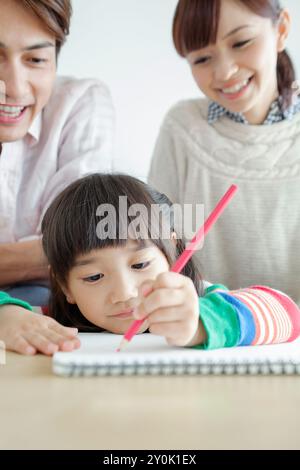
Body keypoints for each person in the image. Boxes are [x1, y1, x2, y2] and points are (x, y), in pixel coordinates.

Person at [2, 172, 297, 356]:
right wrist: (7, 316)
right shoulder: (53, 323)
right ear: (65, 285)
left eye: (140, 265)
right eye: (93, 276)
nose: (124, 293)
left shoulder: (202, 300)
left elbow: (288, 313)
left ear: (171, 255)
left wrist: (200, 324)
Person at [148, 0, 300, 305]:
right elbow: (154, 246)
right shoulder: (182, 127)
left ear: (281, 29)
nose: (225, 71)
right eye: (202, 58)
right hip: (206, 335)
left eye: (241, 43)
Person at [0, 0, 114, 305]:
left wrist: (60, 252)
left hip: (55, 309)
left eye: (36, 59)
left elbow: (80, 246)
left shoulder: (79, 103)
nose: (14, 87)